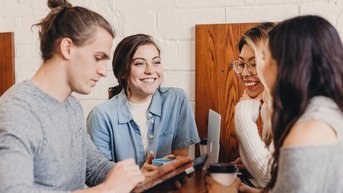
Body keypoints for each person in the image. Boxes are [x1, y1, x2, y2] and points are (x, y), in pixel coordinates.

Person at [0, 0, 145, 192]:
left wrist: (140, 177)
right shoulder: (16, 112)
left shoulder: (72, 105)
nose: (103, 71)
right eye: (98, 57)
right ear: (67, 48)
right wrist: (106, 190)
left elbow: (95, 168)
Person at [206, 15, 343, 193]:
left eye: (264, 58)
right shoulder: (325, 110)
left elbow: (270, 176)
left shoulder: (307, 130)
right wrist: (247, 190)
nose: (259, 68)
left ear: (290, 64)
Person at [87, 33, 200, 168]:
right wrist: (143, 178)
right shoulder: (101, 116)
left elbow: (180, 160)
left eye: (156, 62)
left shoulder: (176, 100)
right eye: (140, 64)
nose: (150, 70)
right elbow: (100, 174)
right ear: (123, 72)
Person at [231, 23, 274, 187]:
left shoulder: (293, 107)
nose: (244, 73)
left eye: (254, 64)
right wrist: (249, 163)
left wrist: (243, 113)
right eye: (241, 64)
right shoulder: (268, 106)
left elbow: (268, 178)